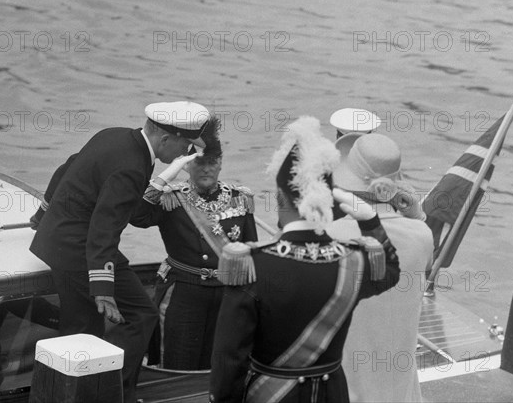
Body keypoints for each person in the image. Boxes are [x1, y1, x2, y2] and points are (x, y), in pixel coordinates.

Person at [209, 116, 400, 403]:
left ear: (281, 198)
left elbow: (229, 360)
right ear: (328, 199)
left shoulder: (253, 266)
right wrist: (371, 220)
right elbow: (391, 272)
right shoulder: (355, 260)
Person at [29, 100, 210, 403]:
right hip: (80, 250)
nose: (187, 155)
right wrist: (102, 287)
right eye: (186, 146)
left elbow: (67, 167)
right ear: (165, 139)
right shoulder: (132, 165)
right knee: (140, 314)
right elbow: (105, 227)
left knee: (80, 328)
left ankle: (74, 390)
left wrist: (42, 214)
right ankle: (110, 392)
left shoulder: (114, 136)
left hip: (59, 242)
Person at [130, 116, 257, 370]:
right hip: (183, 295)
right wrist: (166, 175)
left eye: (213, 163)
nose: (207, 170)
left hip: (225, 294)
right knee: (177, 365)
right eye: (199, 164)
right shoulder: (172, 199)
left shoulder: (240, 199)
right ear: (187, 166)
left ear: (220, 164)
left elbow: (250, 254)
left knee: (218, 367)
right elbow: (137, 216)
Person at [330, 132, 434, 403]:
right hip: (402, 392)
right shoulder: (422, 235)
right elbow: (428, 263)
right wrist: (418, 215)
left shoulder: (332, 235)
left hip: (348, 390)